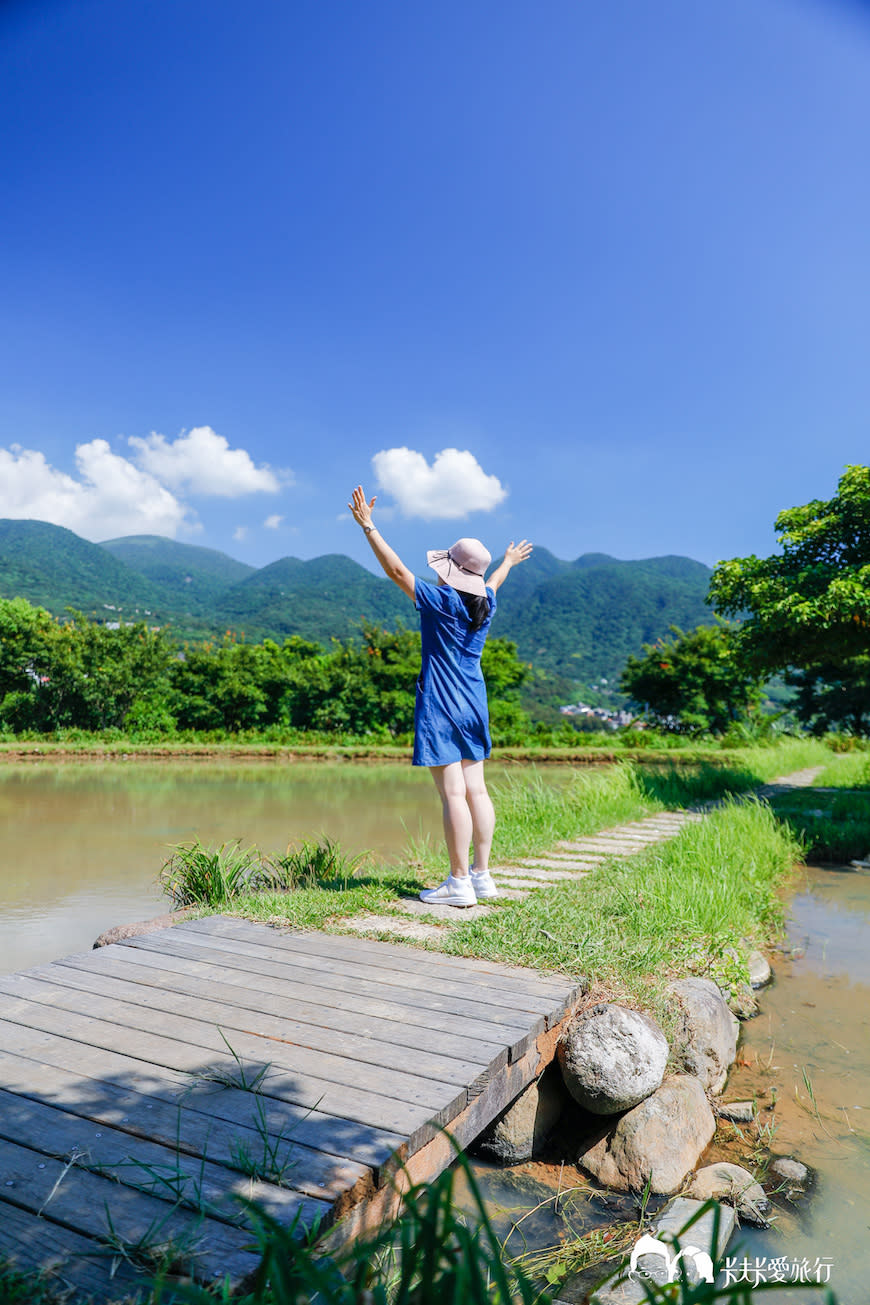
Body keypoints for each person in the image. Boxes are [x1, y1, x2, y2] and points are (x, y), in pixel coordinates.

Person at [348, 485, 532, 907]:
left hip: (442, 704)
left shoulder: (440, 600)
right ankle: (482, 876)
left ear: (450, 568)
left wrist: (368, 527)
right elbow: (494, 582)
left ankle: (458, 882)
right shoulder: (485, 603)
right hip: (475, 703)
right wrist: (506, 562)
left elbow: (396, 572)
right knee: (477, 791)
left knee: (453, 794)